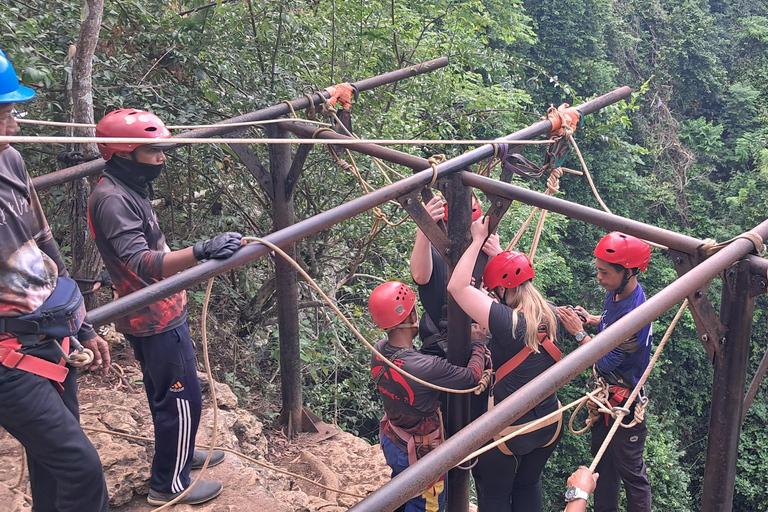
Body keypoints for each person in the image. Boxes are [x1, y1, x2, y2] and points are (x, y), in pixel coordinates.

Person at [88, 109, 243, 506]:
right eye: (152, 151)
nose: (161, 158)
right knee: (181, 398)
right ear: (124, 153)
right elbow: (140, 262)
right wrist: (201, 250)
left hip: (161, 308)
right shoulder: (112, 199)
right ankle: (168, 484)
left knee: (177, 393)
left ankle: (181, 452)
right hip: (152, 316)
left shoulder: (127, 187)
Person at [0, 48, 111, 512]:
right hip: (8, 357)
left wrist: (80, 324)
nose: (16, 125)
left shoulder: (10, 163)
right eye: (6, 113)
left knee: (52, 465)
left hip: (48, 338)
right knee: (80, 466)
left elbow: (44, 246)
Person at [447, 216, 563, 512]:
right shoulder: (549, 313)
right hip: (549, 422)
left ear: (502, 289)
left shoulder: (506, 322)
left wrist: (477, 241)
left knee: (495, 495)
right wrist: (499, 256)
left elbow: (458, 287)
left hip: (510, 427)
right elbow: (514, 283)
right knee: (528, 486)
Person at [369, 281, 491, 512]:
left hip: (394, 439)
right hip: (421, 452)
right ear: (410, 314)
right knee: (425, 505)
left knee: (400, 495)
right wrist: (478, 344)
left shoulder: (379, 349)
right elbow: (471, 377)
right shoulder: (424, 367)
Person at [557, 231, 653, 512]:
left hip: (624, 402)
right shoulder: (620, 293)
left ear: (629, 271)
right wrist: (592, 320)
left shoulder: (635, 316)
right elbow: (612, 324)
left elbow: (605, 363)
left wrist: (578, 335)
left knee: (632, 474)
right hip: (608, 398)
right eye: (598, 270)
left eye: (605, 272)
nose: (599, 277)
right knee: (602, 468)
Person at [410, 194, 500, 356]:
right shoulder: (435, 254)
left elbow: (509, 300)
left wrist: (501, 257)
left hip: (481, 342)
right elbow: (420, 276)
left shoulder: (486, 255)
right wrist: (424, 229)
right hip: (439, 343)